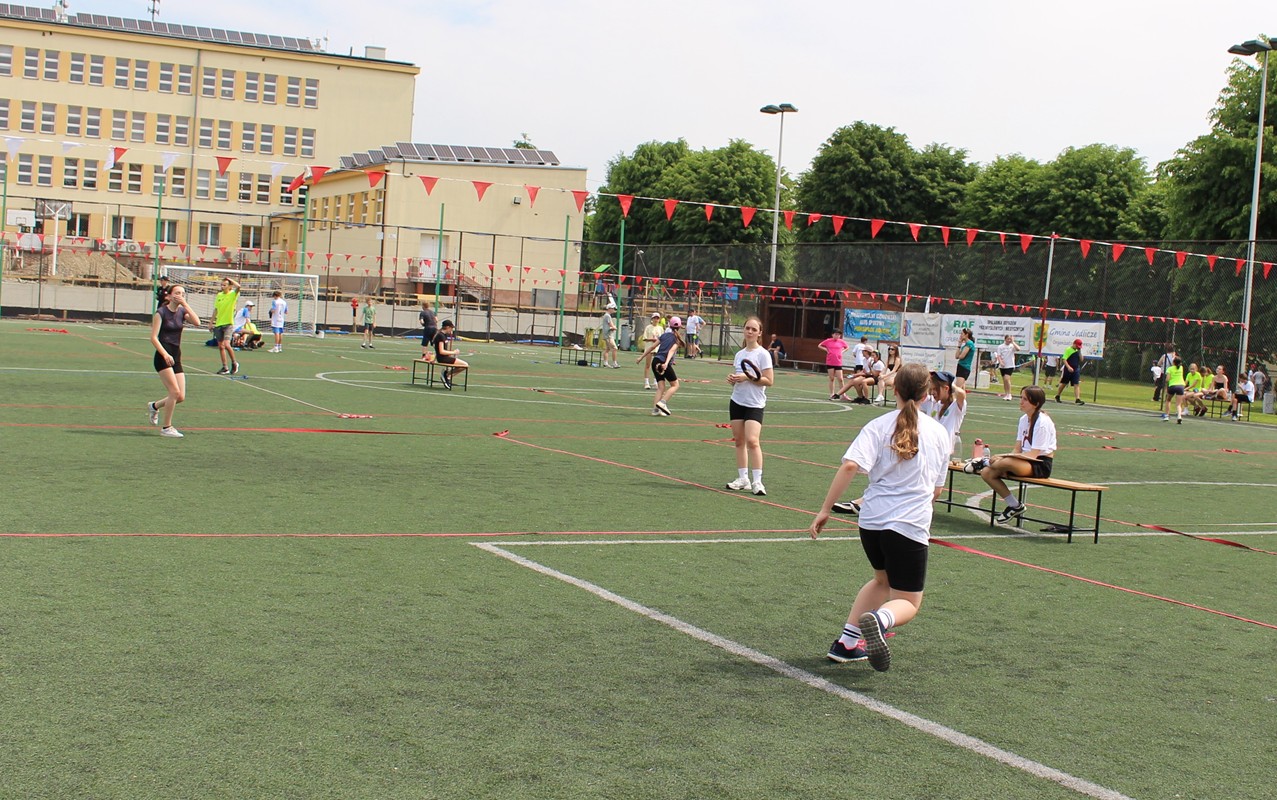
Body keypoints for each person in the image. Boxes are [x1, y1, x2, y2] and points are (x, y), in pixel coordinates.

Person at [809, 363, 952, 671]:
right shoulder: (940, 433)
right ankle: (881, 619)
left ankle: (847, 643)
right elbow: (937, 490)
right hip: (908, 525)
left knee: (881, 580)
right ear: (927, 395)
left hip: (871, 523)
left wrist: (825, 509)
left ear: (895, 390)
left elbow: (850, 466)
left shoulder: (877, 425)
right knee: (908, 602)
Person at [832, 368, 966, 517]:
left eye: (936, 389)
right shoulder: (934, 403)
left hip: (939, 448)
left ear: (946, 388)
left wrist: (950, 384)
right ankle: (865, 502)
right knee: (902, 475)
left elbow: (961, 394)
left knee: (910, 478)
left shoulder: (956, 406)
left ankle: (866, 503)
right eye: (931, 389)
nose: (932, 392)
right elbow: (913, 393)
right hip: (925, 443)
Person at [977, 385, 1057, 524]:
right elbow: (1017, 449)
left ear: (1036, 403)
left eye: (1025, 399)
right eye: (1021, 398)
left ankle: (982, 462)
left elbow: (1033, 455)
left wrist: (1004, 460)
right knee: (986, 473)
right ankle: (1014, 505)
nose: (1021, 402)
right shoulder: (1023, 419)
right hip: (1023, 460)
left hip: (1040, 464)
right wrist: (1004, 459)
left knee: (1004, 462)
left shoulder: (1042, 422)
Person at [724, 317, 774, 496]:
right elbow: (739, 377)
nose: (750, 332)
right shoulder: (739, 354)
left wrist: (747, 377)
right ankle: (743, 478)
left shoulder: (763, 354)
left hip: (755, 404)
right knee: (739, 441)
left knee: (753, 441)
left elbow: (769, 381)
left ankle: (757, 481)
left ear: (760, 333)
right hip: (737, 401)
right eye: (747, 328)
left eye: (754, 329)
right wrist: (733, 379)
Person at [147, 284, 202, 438]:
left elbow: (197, 322)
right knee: (174, 392)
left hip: (176, 355)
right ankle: (166, 427)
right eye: (177, 293)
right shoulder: (161, 312)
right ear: (169, 296)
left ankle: (154, 406)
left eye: (183, 294)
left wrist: (185, 304)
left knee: (180, 396)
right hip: (163, 356)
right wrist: (164, 354)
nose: (180, 296)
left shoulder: (182, 311)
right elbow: (153, 338)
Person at [637, 315, 683, 416]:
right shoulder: (677, 339)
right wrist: (666, 363)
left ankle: (655, 410)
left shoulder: (664, 335)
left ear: (669, 325)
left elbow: (652, 347)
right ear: (679, 327)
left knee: (661, 387)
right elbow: (671, 351)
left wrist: (641, 357)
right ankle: (662, 402)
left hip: (656, 361)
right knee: (675, 385)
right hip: (663, 362)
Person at [211, 276, 241, 375]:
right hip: (219, 324)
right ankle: (225, 367)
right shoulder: (219, 295)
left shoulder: (233, 294)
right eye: (222, 285)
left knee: (227, 344)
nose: (222, 287)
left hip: (228, 324)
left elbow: (239, 286)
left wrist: (230, 279)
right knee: (221, 346)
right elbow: (216, 309)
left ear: (229, 286)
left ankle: (234, 362)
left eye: (225, 285)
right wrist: (211, 322)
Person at [432, 319, 468, 389]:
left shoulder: (444, 335)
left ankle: (447, 375)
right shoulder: (440, 336)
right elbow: (441, 351)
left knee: (463, 365)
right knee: (465, 365)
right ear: (447, 327)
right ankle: (447, 376)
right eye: (451, 328)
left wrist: (434, 359)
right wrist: (454, 352)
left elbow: (439, 350)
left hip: (444, 357)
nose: (451, 330)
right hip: (443, 358)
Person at [818, 329, 849, 400]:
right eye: (836, 334)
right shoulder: (828, 341)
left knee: (840, 379)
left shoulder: (841, 342)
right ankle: (832, 393)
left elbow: (847, 347)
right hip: (830, 362)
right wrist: (826, 350)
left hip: (838, 362)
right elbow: (819, 345)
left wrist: (842, 351)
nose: (837, 336)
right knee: (831, 378)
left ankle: (843, 394)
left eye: (838, 335)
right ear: (832, 334)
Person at [1053, 339, 1085, 405]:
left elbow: (1081, 359)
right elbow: (1064, 359)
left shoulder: (1078, 351)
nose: (1077, 348)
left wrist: (1079, 352)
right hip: (1068, 369)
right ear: (1074, 344)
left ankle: (1077, 399)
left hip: (1076, 369)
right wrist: (1068, 367)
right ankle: (1057, 396)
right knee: (1064, 383)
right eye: (1077, 346)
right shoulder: (1068, 349)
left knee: (1076, 384)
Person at [641, 312, 664, 389]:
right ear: (652, 319)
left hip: (657, 349)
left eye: (657, 318)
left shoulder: (660, 328)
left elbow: (662, 339)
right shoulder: (648, 327)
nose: (656, 320)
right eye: (655, 318)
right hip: (649, 348)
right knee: (648, 365)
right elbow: (645, 338)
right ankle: (646, 382)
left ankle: (655, 382)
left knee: (657, 366)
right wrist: (652, 339)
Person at [995, 334, 1021, 400]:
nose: (1009, 340)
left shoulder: (1012, 346)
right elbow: (998, 355)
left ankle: (1009, 394)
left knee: (1007, 378)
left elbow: (1018, 349)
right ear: (1005, 339)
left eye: (1010, 339)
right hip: (1003, 366)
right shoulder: (1000, 346)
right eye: (1008, 339)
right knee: (1004, 380)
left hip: (1010, 365)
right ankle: (1006, 393)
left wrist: (1013, 342)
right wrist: (1001, 362)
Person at [1162, 357, 1187, 423]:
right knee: (1178, 404)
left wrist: (1166, 384)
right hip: (1181, 386)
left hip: (1172, 386)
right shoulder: (1181, 368)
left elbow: (1167, 379)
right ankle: (1179, 416)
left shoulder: (1169, 369)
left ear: (1173, 362)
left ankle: (1167, 416)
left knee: (1168, 400)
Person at [599, 301, 620, 368]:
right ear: (609, 308)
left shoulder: (607, 316)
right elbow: (611, 325)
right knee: (614, 348)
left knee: (607, 349)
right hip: (608, 335)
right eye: (613, 308)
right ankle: (614, 363)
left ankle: (605, 363)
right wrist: (614, 327)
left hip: (607, 334)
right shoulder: (607, 316)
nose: (614, 310)